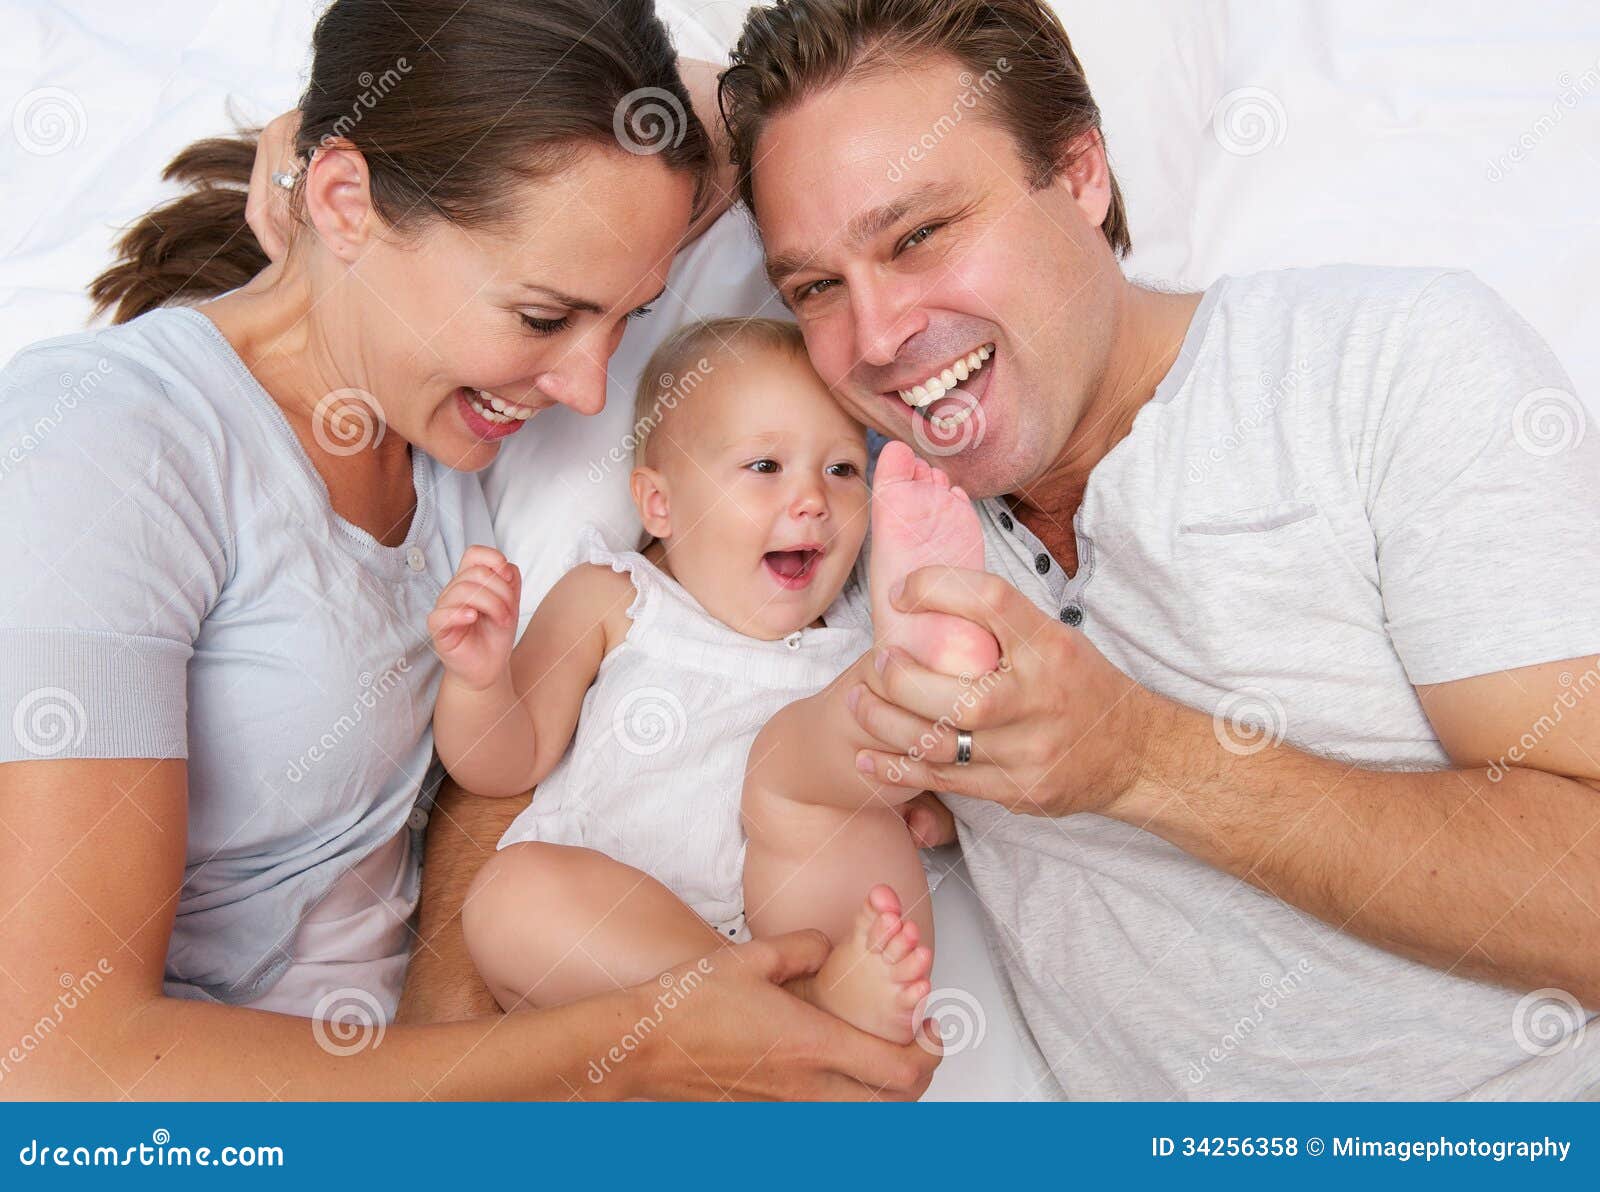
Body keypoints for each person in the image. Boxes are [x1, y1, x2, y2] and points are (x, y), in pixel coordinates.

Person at [0, 0, 937, 1100]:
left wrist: (335, 123)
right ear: (347, 203)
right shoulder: (106, 442)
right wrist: (636, 1037)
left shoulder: (440, 440)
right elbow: (52, 1070)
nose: (586, 390)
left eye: (627, 322)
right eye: (544, 319)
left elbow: (734, 118)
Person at [716, 0, 1600, 1098]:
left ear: (1080, 172)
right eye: (814, 287)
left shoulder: (1387, 366)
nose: (881, 335)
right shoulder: (839, 508)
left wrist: (1141, 759)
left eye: (919, 234)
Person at [431, 317, 997, 1045]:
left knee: (820, 758)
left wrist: (929, 807)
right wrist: (479, 682)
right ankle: (784, 1030)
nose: (813, 500)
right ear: (659, 504)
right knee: (509, 897)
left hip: (815, 941)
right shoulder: (614, 597)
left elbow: (921, 810)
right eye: (765, 467)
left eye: (843, 470)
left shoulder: (855, 637)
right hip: (625, 961)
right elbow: (499, 763)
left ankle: (929, 668)